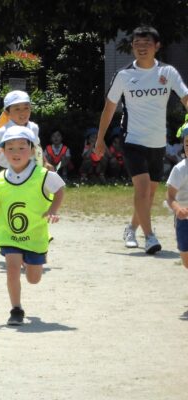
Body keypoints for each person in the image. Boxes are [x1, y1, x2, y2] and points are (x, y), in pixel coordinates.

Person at [95, 26, 188, 254]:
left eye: (146, 44)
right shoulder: (124, 76)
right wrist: (100, 140)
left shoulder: (168, 73)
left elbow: (186, 98)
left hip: (157, 142)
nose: (141, 48)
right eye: (137, 44)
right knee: (143, 189)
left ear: (157, 46)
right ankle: (150, 237)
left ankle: (131, 228)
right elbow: (109, 109)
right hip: (132, 140)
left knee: (150, 194)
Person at [0, 125, 65, 325]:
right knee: (12, 269)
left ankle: (32, 259)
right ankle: (16, 309)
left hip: (34, 235)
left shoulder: (42, 174)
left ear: (33, 151)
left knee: (34, 279)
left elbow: (60, 189)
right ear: (3, 152)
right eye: (10, 148)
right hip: (8, 234)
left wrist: (53, 210)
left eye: (21, 147)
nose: (16, 152)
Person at [0, 90, 52, 183]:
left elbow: (37, 147)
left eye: (26, 108)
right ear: (7, 113)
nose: (23, 112)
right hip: (5, 171)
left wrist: (45, 163)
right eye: (17, 109)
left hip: (29, 169)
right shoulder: (3, 131)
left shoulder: (33, 127)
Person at [166, 126, 188, 268]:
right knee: (186, 261)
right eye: (187, 143)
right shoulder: (180, 169)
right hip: (184, 220)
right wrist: (177, 209)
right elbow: (169, 196)